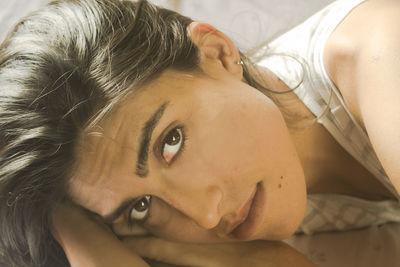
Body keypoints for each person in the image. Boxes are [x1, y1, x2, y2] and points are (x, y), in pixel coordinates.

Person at [0, 0, 399, 266]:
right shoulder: (248, 234)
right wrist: (64, 224)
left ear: (217, 54)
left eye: (171, 143)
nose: (206, 215)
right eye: (140, 206)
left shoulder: (384, 50)